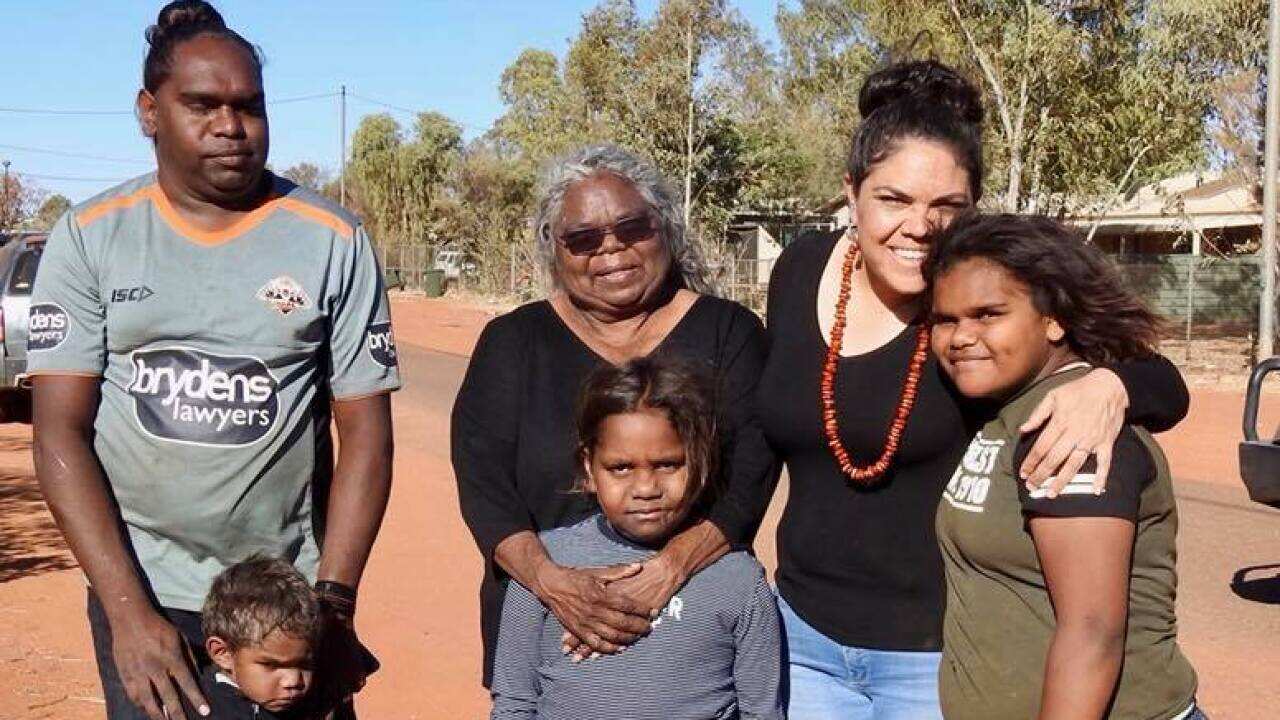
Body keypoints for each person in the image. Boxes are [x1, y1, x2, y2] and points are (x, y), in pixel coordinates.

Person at [755, 60, 1190, 719]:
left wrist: (1111, 384)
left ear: (971, 208)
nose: (918, 227)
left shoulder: (977, 297)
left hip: (931, 656)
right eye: (893, 199)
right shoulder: (801, 269)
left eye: (946, 207)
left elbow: (1165, 384)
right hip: (803, 636)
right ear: (852, 194)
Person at [28, 3, 399, 719]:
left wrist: (335, 605)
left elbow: (367, 436)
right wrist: (128, 615)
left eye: (249, 107)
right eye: (202, 105)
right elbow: (59, 432)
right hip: (145, 587)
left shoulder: (331, 240)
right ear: (149, 110)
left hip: (285, 600)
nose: (230, 127)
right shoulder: (91, 238)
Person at [452, 144, 778, 687]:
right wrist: (554, 584)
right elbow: (483, 486)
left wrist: (665, 574)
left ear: (665, 229)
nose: (611, 249)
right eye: (582, 239)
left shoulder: (730, 333)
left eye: (633, 228)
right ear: (554, 250)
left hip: (694, 638)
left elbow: (752, 475)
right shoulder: (512, 342)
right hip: (544, 628)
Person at [926, 213, 1202, 720]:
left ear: (1053, 319)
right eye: (945, 319)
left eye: (988, 314)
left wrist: (1111, 383)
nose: (961, 336)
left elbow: (1092, 630)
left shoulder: (1072, 425)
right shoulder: (1003, 404)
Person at [488, 356, 783, 720]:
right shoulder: (544, 568)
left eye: (668, 464)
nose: (646, 488)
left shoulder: (739, 581)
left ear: (702, 463)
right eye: (621, 468)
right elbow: (515, 703)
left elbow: (762, 711)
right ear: (588, 468)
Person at [193, 556, 322, 719]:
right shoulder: (187, 711)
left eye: (304, 664)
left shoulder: (313, 707)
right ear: (223, 653)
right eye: (271, 665)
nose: (293, 681)